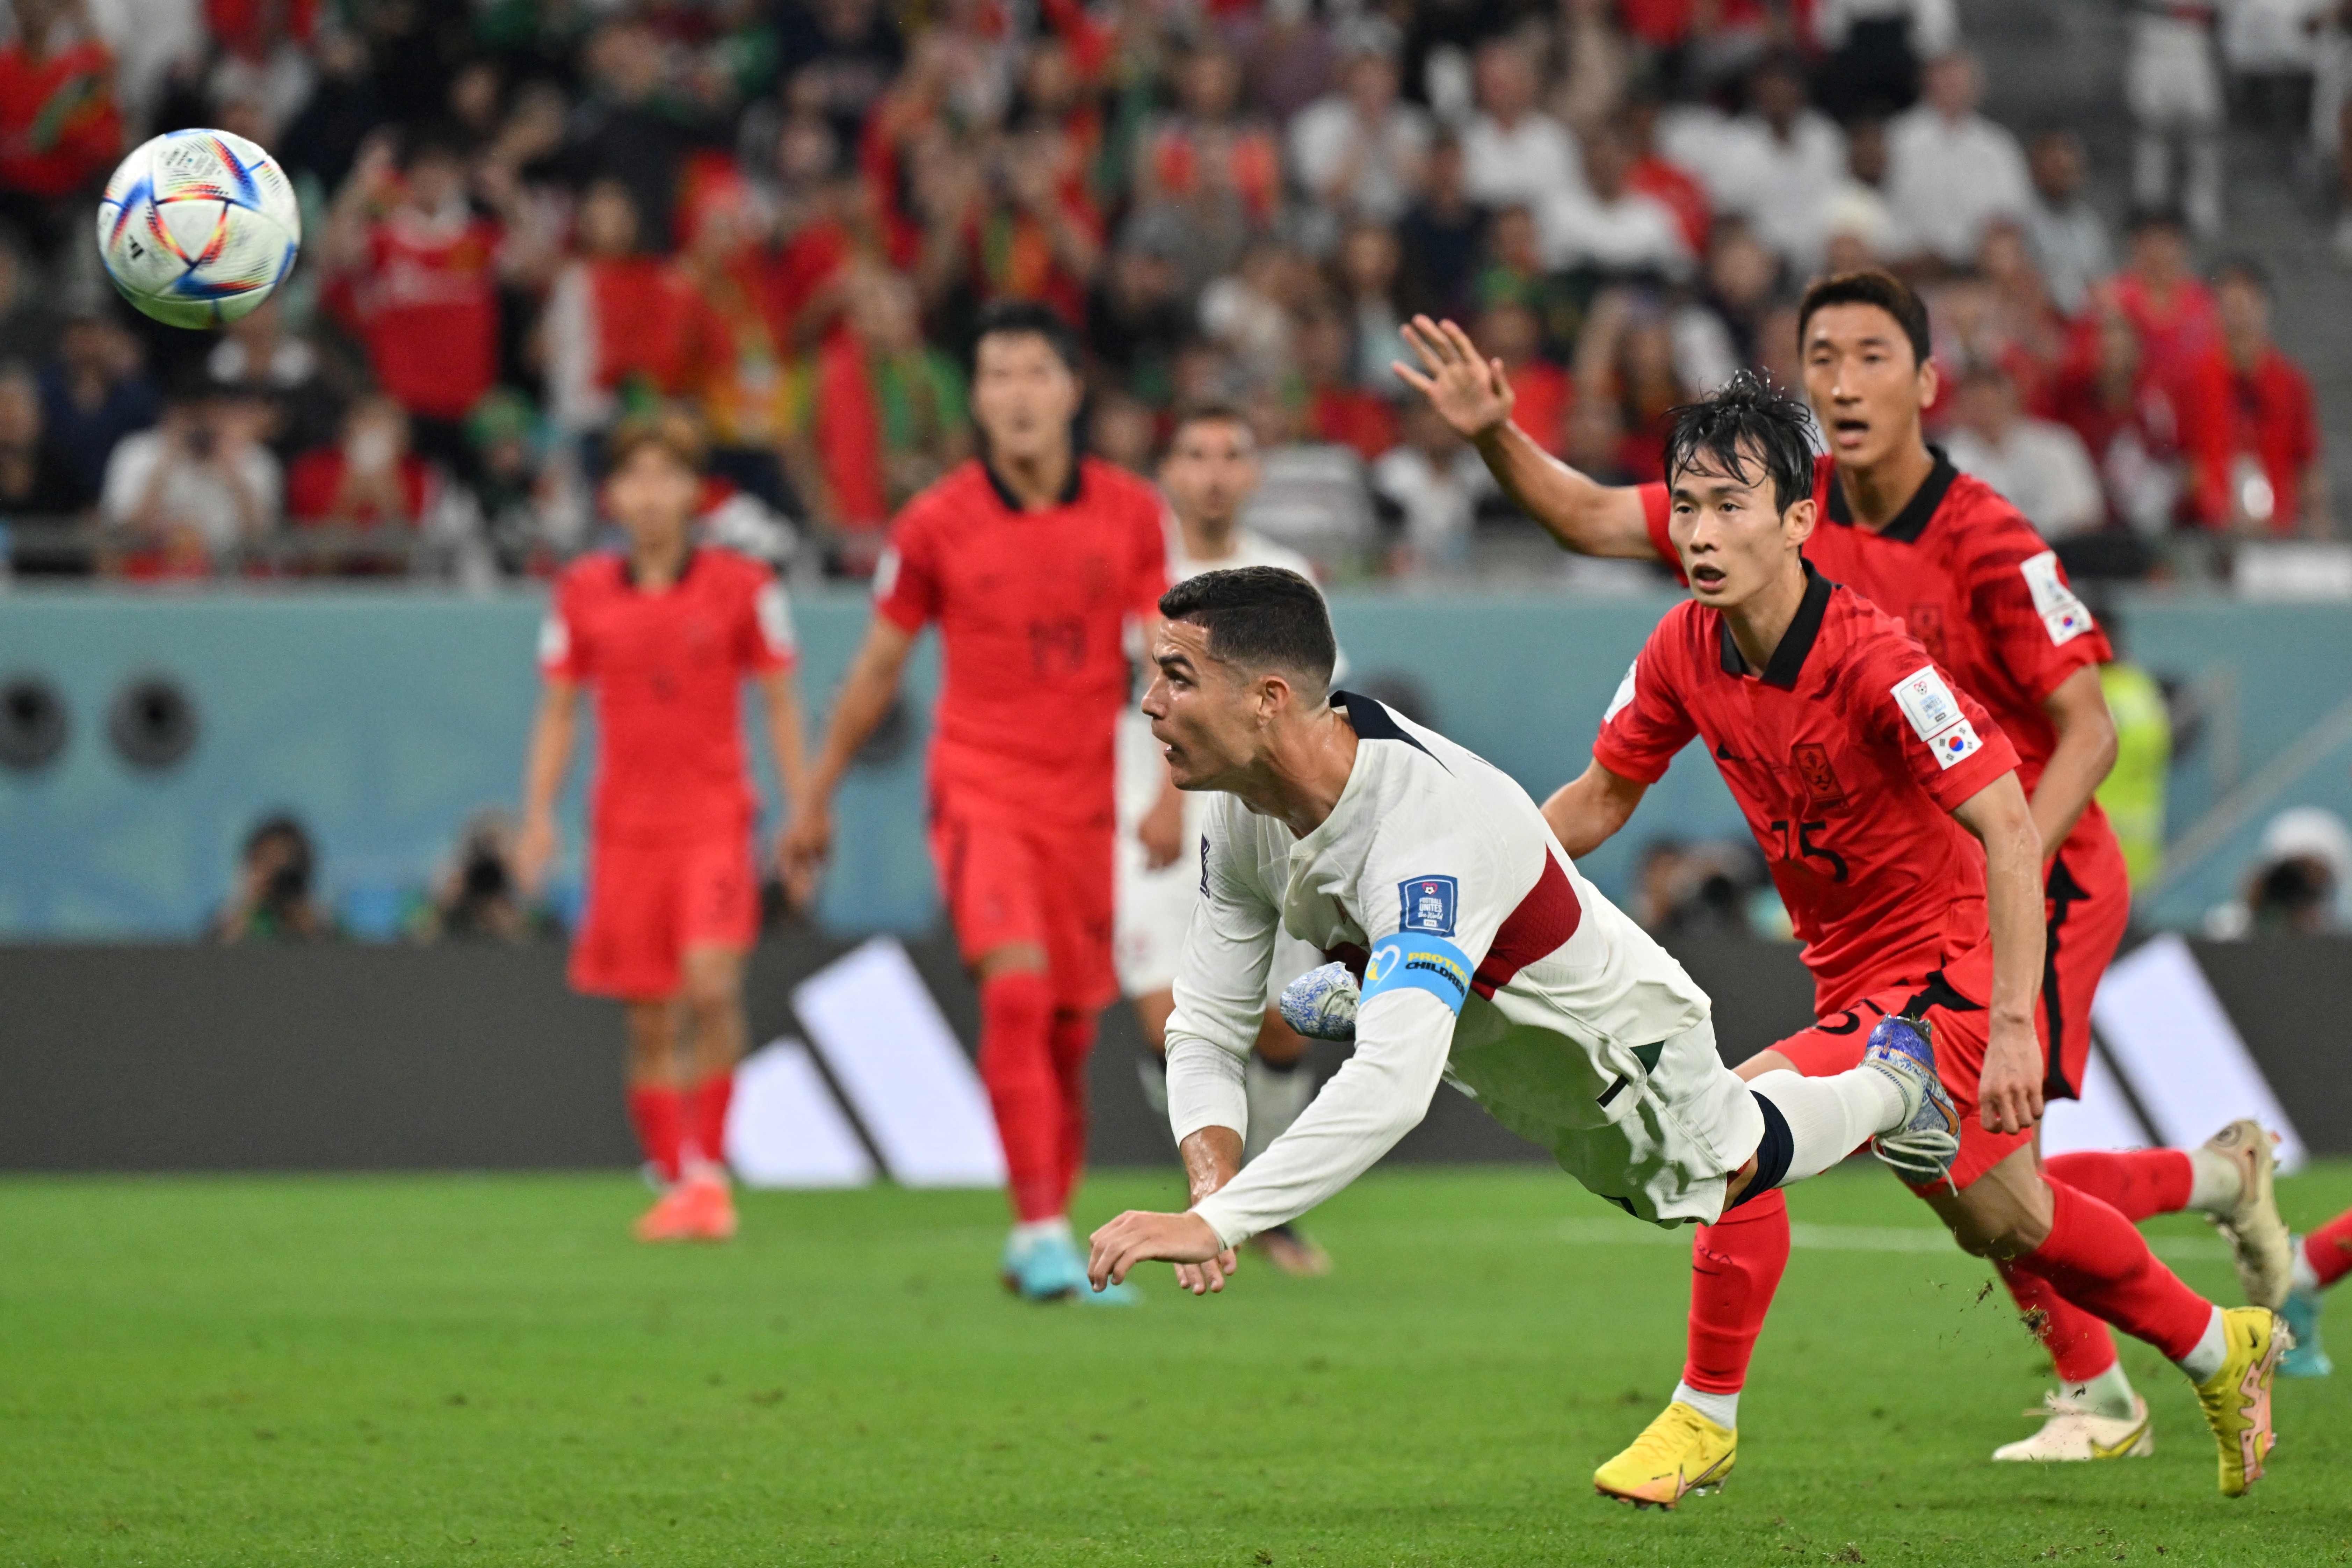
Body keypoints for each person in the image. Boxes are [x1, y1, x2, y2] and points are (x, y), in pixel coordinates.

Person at [1392, 278, 2291, 1471]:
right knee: (2009, 1216)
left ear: (1798, 518)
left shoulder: (1889, 647)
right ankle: (2215, 1341)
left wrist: (2014, 1020)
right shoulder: (1680, 639)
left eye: (1728, 509)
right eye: (1691, 510)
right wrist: (1473, 894)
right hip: (1857, 968)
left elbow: (2018, 822)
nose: (1699, 532)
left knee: (1732, 1129)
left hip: (1956, 962)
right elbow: (1602, 798)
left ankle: (1702, 1418)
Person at [1082, 565, 1962, 1364]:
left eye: (1177, 676)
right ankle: (1392, 977)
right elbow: (1204, 1023)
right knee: (1427, 1014)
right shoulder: (1244, 815)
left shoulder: (1424, 832)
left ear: (1269, 698)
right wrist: (1212, 1183)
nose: (1150, 704)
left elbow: (1390, 1088)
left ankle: (1894, 1084)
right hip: (1502, 1052)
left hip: (1621, 1047)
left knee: (1721, 1168)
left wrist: (1219, 1221)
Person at [783, 301, 1167, 1304]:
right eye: (994, 376)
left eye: (1034, 372)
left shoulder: (1129, 512)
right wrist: (815, 799)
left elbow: (1171, 658)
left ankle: (1044, 1231)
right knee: (1015, 991)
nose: (1015, 395)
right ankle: (1040, 1228)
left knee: (1072, 1028)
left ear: (1071, 390)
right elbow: (873, 672)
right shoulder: (934, 524)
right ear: (978, 401)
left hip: (1087, 805)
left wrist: (1171, 785)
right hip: (979, 788)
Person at [515, 411, 811, 1245]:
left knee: (713, 986)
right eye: (634, 478)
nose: (650, 495)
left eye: (667, 477)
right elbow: (559, 712)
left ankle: (709, 1177)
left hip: (716, 821)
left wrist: (802, 808)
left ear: (693, 491)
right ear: (612, 494)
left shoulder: (745, 587)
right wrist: (537, 818)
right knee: (648, 1017)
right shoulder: (581, 592)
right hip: (624, 833)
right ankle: (677, 1177)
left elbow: (781, 700)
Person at [1117, 407, 1332, 1277]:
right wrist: (1164, 797)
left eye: (1229, 456)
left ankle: (1265, 1202)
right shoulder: (1133, 565)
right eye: (1193, 453)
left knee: (1279, 1030)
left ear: (1252, 472)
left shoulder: (1284, 576)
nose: (1211, 471)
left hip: (1256, 825)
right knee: (1170, 1021)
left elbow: (1304, 703)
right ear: (1167, 468)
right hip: (1148, 820)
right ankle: (1211, 1199)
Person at [208, 813, 332, 942]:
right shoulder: (231, 921)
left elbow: (340, 956)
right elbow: (211, 956)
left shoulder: (319, 922)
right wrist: (243, 913)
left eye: (284, 869)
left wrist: (313, 929)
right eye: (265, 861)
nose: (274, 877)